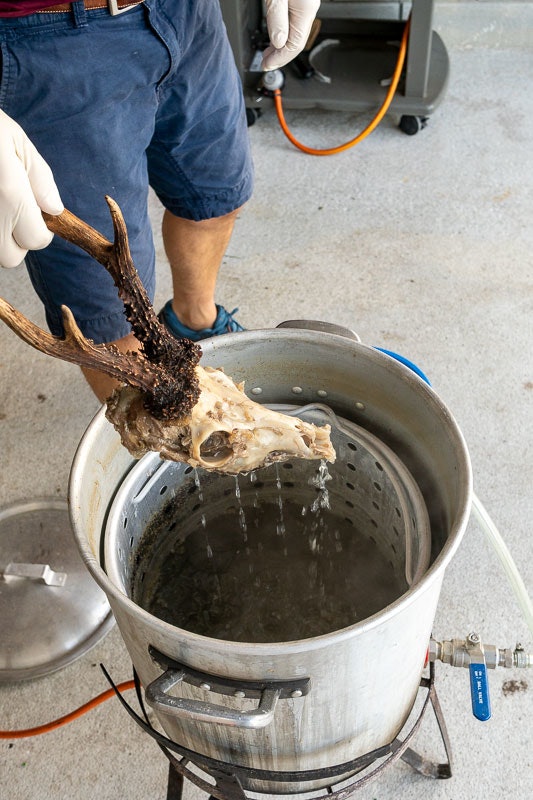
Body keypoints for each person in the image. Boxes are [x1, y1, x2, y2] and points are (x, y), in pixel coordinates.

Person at [0, 0, 319, 402]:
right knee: (108, 306)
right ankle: (170, 437)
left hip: (186, 12)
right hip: (45, 37)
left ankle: (194, 322)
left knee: (214, 197)